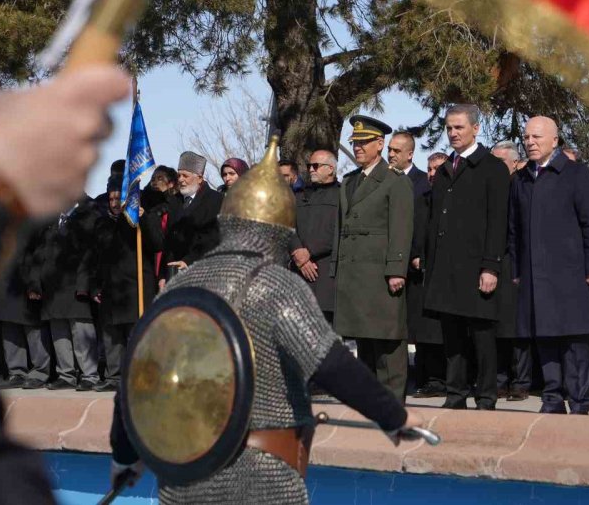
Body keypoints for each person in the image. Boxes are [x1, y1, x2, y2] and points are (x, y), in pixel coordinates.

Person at [110, 141, 422, 503]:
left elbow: (136, 377)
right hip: (261, 475)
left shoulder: (180, 286)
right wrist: (392, 416)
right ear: (280, 230)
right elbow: (329, 363)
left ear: (227, 221)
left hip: (186, 473)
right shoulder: (277, 286)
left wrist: (125, 456)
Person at [0, 64, 129, 505]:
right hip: (29, 284)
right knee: (43, 338)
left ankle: (88, 374)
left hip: (88, 286)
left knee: (81, 338)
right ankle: (54, 372)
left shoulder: (89, 217)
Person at [509, 117, 589, 414]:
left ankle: (578, 400)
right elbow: (513, 229)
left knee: (573, 337)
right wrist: (516, 271)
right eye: (526, 137)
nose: (530, 142)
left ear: (555, 140)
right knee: (544, 336)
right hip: (534, 275)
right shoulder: (521, 178)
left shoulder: (575, 174)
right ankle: (552, 397)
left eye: (537, 136)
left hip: (571, 272)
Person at [424, 104, 510, 411]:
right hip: (446, 269)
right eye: (449, 128)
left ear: (475, 128)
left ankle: (486, 396)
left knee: (483, 336)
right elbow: (436, 221)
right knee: (453, 337)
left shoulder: (492, 168)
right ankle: (455, 393)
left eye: (459, 127)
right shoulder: (447, 168)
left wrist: (491, 266)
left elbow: (498, 221)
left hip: (477, 268)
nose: (452, 133)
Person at [331, 116, 414, 400]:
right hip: (353, 275)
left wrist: (396, 269)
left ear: (380, 144)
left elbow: (401, 228)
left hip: (380, 274)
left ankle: (392, 401)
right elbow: (340, 229)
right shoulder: (349, 181)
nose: (358, 148)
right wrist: (336, 269)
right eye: (355, 143)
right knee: (363, 341)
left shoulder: (394, 181)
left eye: (364, 143)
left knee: (387, 341)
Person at [91, 175, 160, 392]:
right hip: (111, 289)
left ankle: (138, 377)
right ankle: (113, 377)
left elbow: (157, 243)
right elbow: (96, 257)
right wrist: (95, 284)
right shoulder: (102, 223)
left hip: (136, 286)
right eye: (110, 199)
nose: (113, 203)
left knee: (135, 335)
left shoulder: (138, 220)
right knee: (112, 335)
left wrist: (143, 219)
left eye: (117, 198)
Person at [26, 194, 101, 391]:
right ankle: (65, 374)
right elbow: (39, 254)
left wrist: (85, 285)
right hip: (52, 288)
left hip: (75, 285)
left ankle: (89, 375)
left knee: (81, 332)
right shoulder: (51, 220)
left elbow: (90, 253)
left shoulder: (87, 215)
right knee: (59, 334)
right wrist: (35, 283)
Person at [390, 132, 445, 398]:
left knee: (425, 326)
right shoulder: (386, 180)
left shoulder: (423, 184)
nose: (391, 155)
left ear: (410, 154)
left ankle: (431, 377)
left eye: (396, 151)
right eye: (389, 150)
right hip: (396, 264)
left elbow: (423, 226)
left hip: (420, 267)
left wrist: (417, 254)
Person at [489, 141, 531, 401]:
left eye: (501, 162)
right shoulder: (493, 185)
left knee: (517, 328)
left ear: (515, 163)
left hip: (515, 263)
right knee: (497, 326)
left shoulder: (521, 185)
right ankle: (500, 379)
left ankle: (520, 381)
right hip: (495, 263)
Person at [290, 150, 341, 323]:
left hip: (326, 276)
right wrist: (298, 252)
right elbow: (288, 226)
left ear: (331, 169)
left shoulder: (342, 195)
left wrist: (309, 252)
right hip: (299, 273)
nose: (311, 169)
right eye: (309, 166)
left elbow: (338, 230)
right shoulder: (300, 195)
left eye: (316, 166)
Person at [0, 237, 50, 390]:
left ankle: (40, 372)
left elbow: (37, 256)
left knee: (33, 330)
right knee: (9, 329)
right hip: (4, 285)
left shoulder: (32, 223)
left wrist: (34, 284)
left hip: (25, 283)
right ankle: (16, 372)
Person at [163, 151, 222, 274]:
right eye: (179, 175)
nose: (180, 180)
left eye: (185, 176)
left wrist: (188, 261)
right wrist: (164, 274)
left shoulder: (215, 200)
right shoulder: (174, 201)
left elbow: (211, 238)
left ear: (199, 178)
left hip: (202, 271)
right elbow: (168, 240)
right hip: (174, 272)